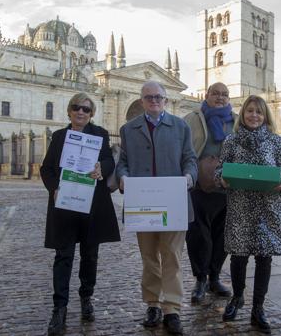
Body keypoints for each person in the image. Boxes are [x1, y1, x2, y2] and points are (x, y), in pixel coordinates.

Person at [115, 81, 197, 335]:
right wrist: (123, 177)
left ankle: (171, 308)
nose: (154, 101)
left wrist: (189, 177)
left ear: (165, 99)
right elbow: (123, 162)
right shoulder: (128, 129)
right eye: (149, 97)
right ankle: (152, 303)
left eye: (158, 97)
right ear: (142, 101)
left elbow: (190, 159)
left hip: (173, 202)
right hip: (143, 204)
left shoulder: (181, 126)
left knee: (171, 255)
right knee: (149, 257)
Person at [41, 93, 121, 335]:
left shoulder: (101, 134)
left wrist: (101, 168)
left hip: (92, 205)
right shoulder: (59, 137)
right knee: (63, 256)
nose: (81, 112)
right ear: (69, 111)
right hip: (65, 204)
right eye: (76, 108)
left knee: (90, 255)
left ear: (91, 113)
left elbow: (109, 161)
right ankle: (60, 307)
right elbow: (46, 169)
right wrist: (54, 188)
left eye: (86, 109)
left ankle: (86, 297)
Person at [215, 95, 281, 334]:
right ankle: (237, 297)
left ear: (265, 116)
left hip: (268, 208)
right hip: (240, 206)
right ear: (243, 114)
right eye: (250, 111)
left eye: (259, 112)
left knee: (264, 258)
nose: (254, 116)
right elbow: (221, 168)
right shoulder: (231, 141)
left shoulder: (276, 142)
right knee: (238, 257)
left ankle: (258, 307)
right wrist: (222, 178)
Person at [184, 82, 236, 303]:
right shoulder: (193, 118)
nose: (220, 97)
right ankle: (200, 279)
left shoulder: (236, 121)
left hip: (227, 186)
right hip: (199, 185)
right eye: (216, 93)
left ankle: (214, 277)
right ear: (206, 95)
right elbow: (184, 148)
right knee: (198, 236)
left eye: (224, 94)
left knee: (222, 237)